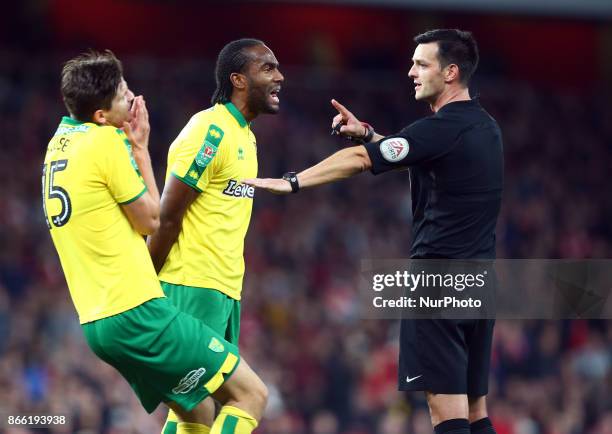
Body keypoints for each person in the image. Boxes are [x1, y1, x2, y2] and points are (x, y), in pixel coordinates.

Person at [244, 29, 503, 434]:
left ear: (451, 72)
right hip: (478, 281)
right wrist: (370, 135)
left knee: (447, 416)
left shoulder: (440, 127)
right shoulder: (485, 127)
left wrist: (291, 182)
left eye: (422, 64)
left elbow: (359, 160)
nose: (411, 71)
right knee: (475, 412)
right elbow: (411, 154)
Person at [43, 50, 267, 434]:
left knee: (194, 411)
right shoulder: (105, 142)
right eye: (122, 94)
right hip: (136, 311)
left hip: (97, 322)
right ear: (100, 115)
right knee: (251, 395)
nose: (131, 98)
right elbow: (153, 219)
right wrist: (140, 149)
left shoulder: (57, 147)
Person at [146, 39, 284, 434]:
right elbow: (168, 216)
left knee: (197, 406)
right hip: (192, 283)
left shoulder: (246, 136)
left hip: (224, 289)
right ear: (239, 80)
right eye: (268, 68)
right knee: (236, 398)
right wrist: (143, 282)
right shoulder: (209, 129)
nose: (280, 76)